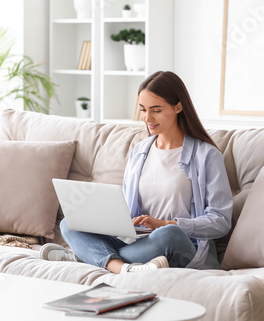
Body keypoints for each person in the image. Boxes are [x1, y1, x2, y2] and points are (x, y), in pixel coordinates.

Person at [41, 71, 233, 274]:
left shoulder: (207, 156)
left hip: (180, 245)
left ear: (178, 106)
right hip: (137, 242)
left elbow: (220, 221)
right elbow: (127, 210)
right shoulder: (139, 152)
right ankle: (123, 268)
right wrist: (108, 220)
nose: (147, 118)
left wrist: (167, 223)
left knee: (168, 234)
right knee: (69, 224)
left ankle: (89, 257)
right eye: (143, 110)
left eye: (156, 110)